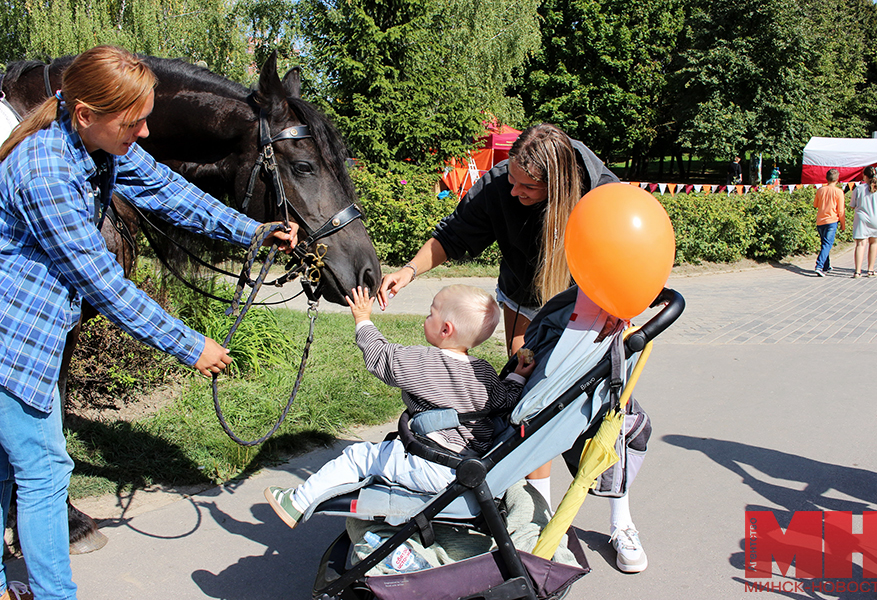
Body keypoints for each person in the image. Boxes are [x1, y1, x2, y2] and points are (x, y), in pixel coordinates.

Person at [0, 46, 298, 600]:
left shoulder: (91, 143)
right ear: (87, 112)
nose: (142, 132)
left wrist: (250, 231)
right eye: (132, 121)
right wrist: (190, 346)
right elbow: (103, 285)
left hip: (24, 338)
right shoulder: (45, 168)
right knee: (43, 473)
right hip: (13, 345)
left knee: (6, 470)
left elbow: (167, 189)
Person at [376, 124, 650, 573]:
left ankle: (621, 520)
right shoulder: (502, 182)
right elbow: (456, 233)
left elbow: (632, 253)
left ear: (557, 183)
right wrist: (408, 271)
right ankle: (537, 523)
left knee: (603, 415)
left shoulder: (599, 193)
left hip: (591, 312)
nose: (513, 187)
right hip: (524, 303)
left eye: (527, 185)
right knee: (529, 410)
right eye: (512, 177)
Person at [264, 285, 535, 527]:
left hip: (429, 464)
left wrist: (362, 320)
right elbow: (506, 401)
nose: (425, 318)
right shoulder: (484, 372)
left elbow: (382, 357)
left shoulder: (426, 362)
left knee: (358, 457)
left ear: (445, 329)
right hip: (464, 467)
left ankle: (297, 502)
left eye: (431, 314)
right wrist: (517, 376)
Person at [850, 166, 877, 278]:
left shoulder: (858, 189)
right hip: (876, 218)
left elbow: (852, 205)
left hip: (862, 219)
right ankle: (870, 269)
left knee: (860, 244)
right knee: (874, 243)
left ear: (864, 176)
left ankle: (857, 271)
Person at [812, 168, 846, 277]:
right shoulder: (839, 192)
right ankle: (819, 266)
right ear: (837, 179)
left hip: (820, 220)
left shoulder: (820, 190)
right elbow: (841, 210)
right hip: (832, 220)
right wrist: (843, 224)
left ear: (826, 178)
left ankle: (827, 266)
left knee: (824, 244)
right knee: (827, 244)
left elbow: (815, 205)